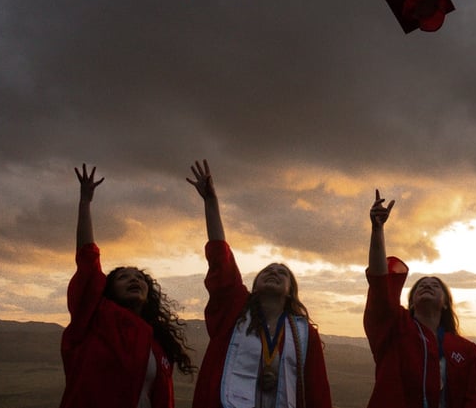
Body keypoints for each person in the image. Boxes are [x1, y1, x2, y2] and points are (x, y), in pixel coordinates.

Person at [187, 159, 333, 408]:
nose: (274, 273)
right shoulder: (233, 310)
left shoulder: (304, 333)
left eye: (282, 273)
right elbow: (220, 260)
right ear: (253, 287)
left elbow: (317, 391)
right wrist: (211, 203)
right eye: (267, 270)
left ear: (290, 292)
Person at [60, 164, 194, 408]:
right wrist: (85, 203)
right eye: (123, 277)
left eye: (140, 278)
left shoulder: (156, 342)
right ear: (107, 290)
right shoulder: (94, 319)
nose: (134, 280)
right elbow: (88, 261)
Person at [364, 190, 476, 408]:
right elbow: (379, 285)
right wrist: (377, 230)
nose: (428, 284)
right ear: (411, 303)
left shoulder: (467, 351)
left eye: (435, 285)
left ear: (446, 303)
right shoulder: (396, 330)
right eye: (421, 285)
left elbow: (474, 400)